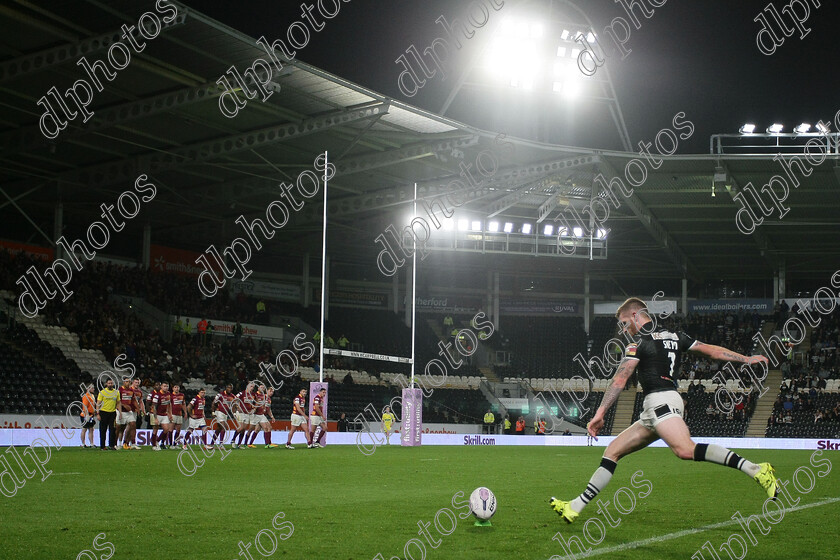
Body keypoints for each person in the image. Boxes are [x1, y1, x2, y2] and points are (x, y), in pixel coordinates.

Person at [549, 297, 778, 524]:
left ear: (636, 315)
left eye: (625, 323)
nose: (624, 329)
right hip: (657, 406)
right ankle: (574, 507)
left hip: (661, 402)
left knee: (685, 450)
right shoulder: (674, 336)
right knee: (612, 451)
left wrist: (600, 413)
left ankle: (756, 469)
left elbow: (621, 378)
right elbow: (711, 351)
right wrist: (746, 359)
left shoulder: (638, 342)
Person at [96, 378, 119, 450]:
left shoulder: (116, 392)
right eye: (109, 383)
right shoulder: (102, 392)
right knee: (103, 430)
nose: (110, 384)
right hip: (103, 412)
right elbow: (98, 403)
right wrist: (97, 413)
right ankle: (102, 446)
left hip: (112, 413)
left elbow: (118, 403)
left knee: (112, 430)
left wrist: (120, 413)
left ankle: (111, 445)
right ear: (106, 384)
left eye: (111, 383)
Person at [150, 381, 173, 451]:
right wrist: (156, 418)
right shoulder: (157, 395)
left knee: (166, 429)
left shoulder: (168, 394)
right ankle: (154, 445)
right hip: (157, 414)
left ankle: (157, 441)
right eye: (164, 386)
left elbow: (169, 404)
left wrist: (170, 413)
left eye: (167, 386)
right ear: (161, 387)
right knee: (155, 429)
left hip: (164, 414)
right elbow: (154, 407)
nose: (166, 388)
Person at [232, 382, 257, 449]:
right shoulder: (242, 393)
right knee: (241, 428)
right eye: (251, 386)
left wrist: (253, 409)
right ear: (247, 386)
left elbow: (255, 403)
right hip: (241, 413)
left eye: (253, 387)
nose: (252, 388)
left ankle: (239, 444)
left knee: (244, 429)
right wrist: (237, 406)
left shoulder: (253, 395)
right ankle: (233, 440)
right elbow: (234, 399)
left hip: (248, 413)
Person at [211, 384, 236, 448]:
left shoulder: (232, 396)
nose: (230, 389)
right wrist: (213, 411)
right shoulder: (220, 395)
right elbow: (214, 403)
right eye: (228, 388)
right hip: (219, 412)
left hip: (225, 414)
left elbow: (233, 406)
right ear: (226, 388)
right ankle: (221, 444)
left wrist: (234, 413)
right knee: (224, 427)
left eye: (231, 388)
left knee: (218, 429)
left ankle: (212, 443)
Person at [116, 377, 133, 449]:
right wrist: (124, 406)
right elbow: (117, 401)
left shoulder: (131, 390)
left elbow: (133, 400)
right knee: (119, 428)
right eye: (126, 381)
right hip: (120, 411)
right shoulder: (119, 390)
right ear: (123, 382)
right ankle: (116, 443)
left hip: (128, 412)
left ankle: (124, 443)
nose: (127, 383)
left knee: (130, 425)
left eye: (129, 381)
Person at [80, 384, 96, 448]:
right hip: (86, 415)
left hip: (91, 415)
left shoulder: (92, 396)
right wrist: (87, 416)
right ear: (88, 389)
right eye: (92, 388)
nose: (93, 389)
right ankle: (83, 443)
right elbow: (85, 406)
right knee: (84, 429)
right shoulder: (86, 396)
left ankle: (91, 443)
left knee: (91, 429)